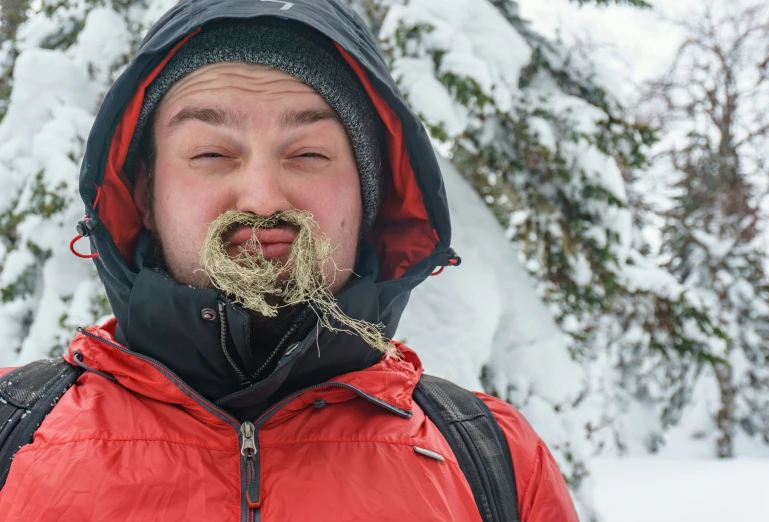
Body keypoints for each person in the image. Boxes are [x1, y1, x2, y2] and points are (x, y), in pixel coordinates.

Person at [0, 1, 579, 520]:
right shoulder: (12, 436)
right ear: (146, 194)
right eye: (209, 152)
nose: (261, 197)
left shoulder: (492, 458)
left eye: (308, 153)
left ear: (368, 197)